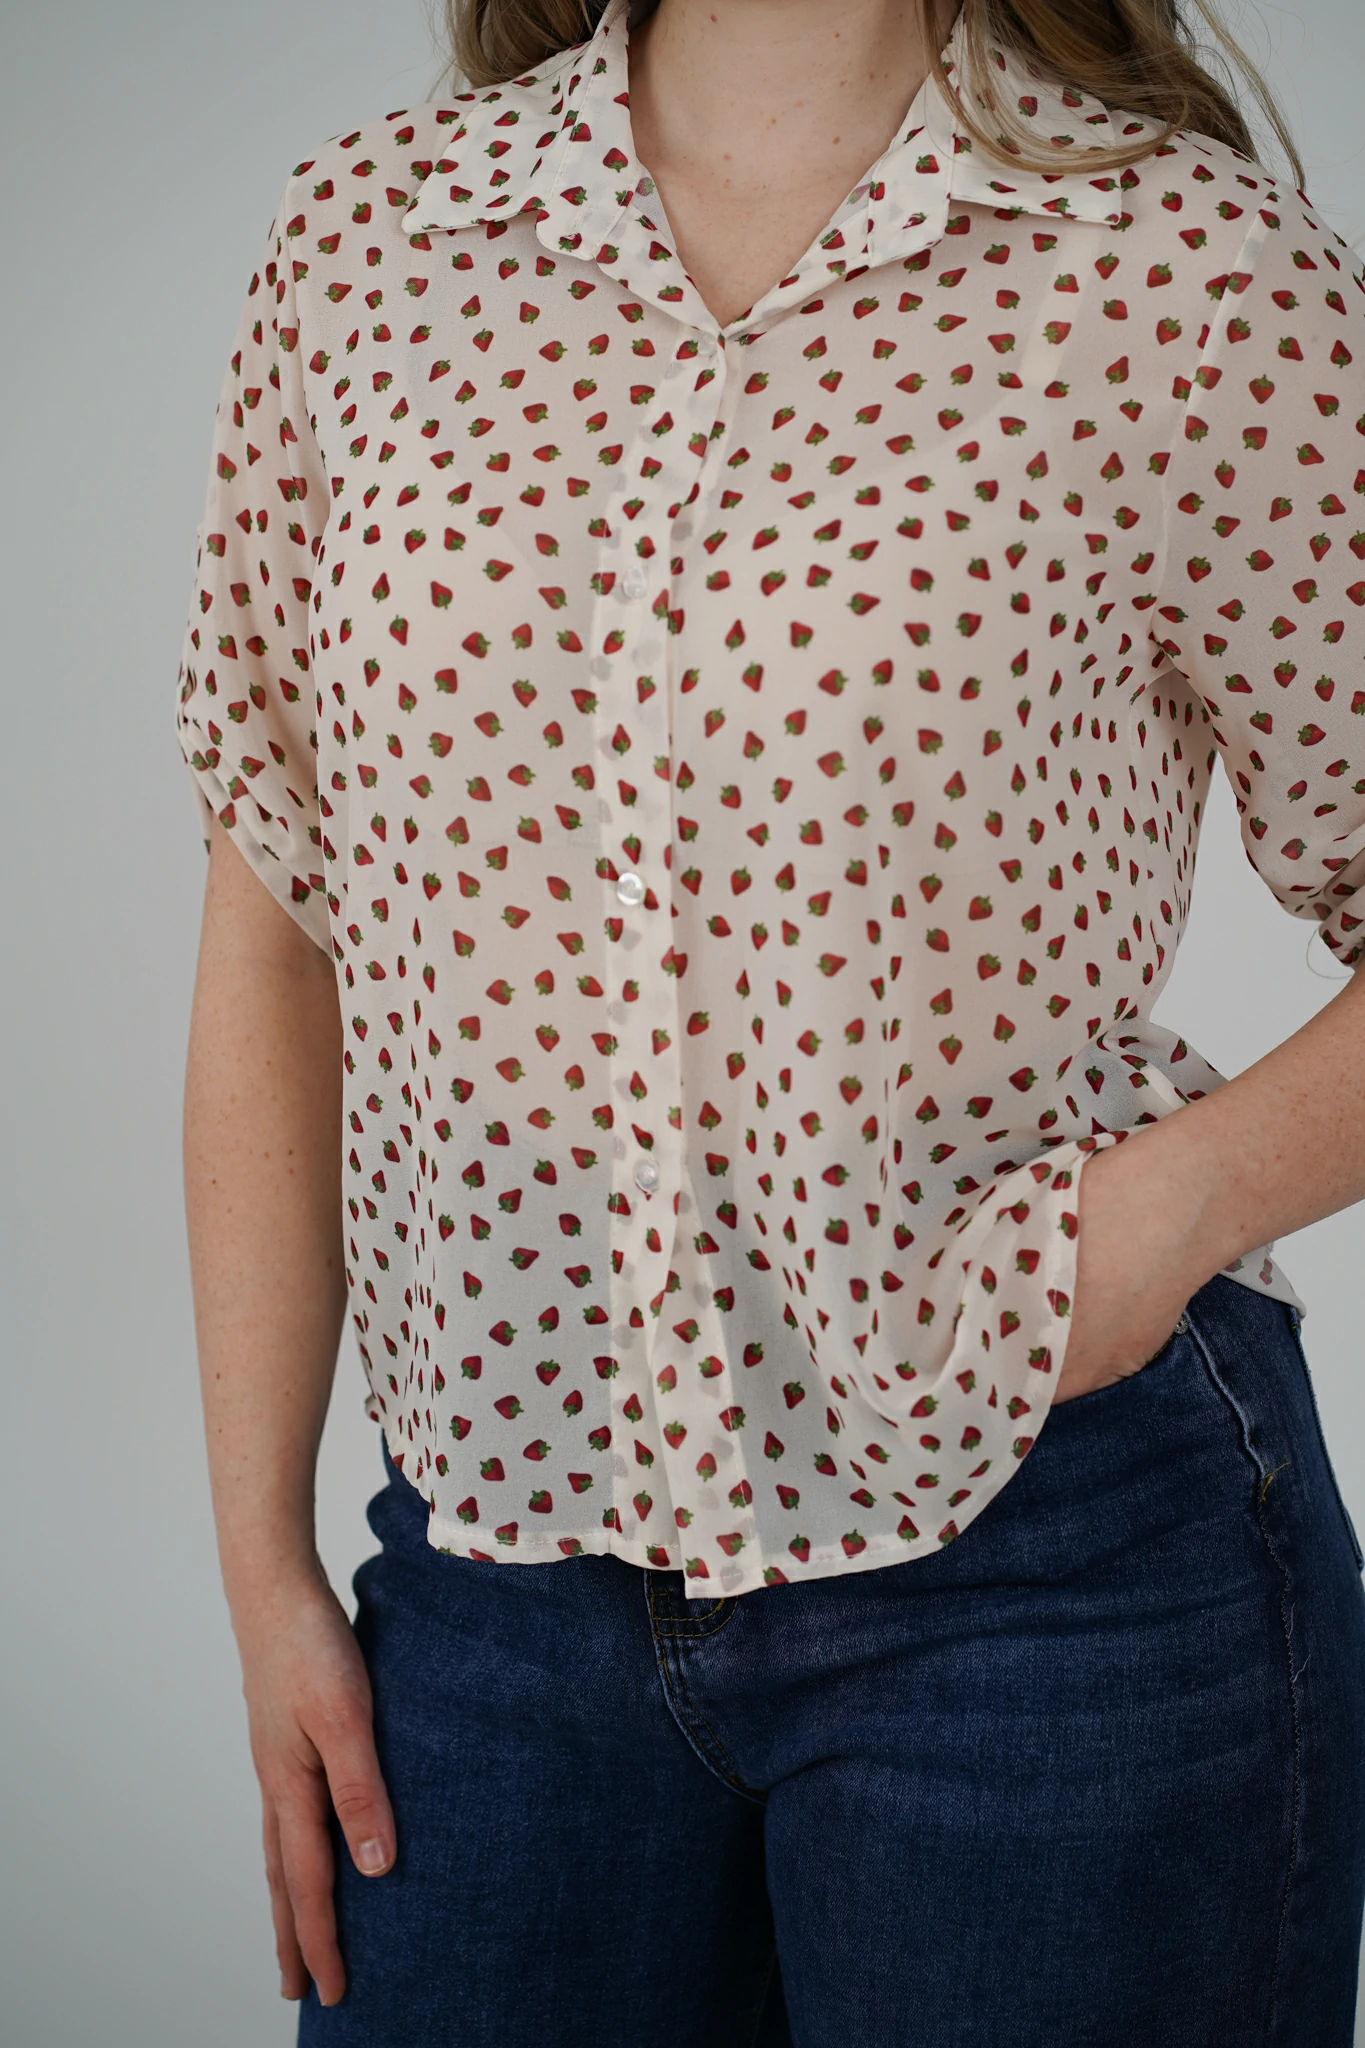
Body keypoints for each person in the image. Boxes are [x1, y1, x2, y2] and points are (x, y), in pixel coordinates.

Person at [177, 0, 1365, 2038]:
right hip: (491, 1579)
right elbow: (280, 913)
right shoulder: (374, 242)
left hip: (1052, 1552)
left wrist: (1161, 1219)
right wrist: (263, 1569)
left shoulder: (1185, 271)